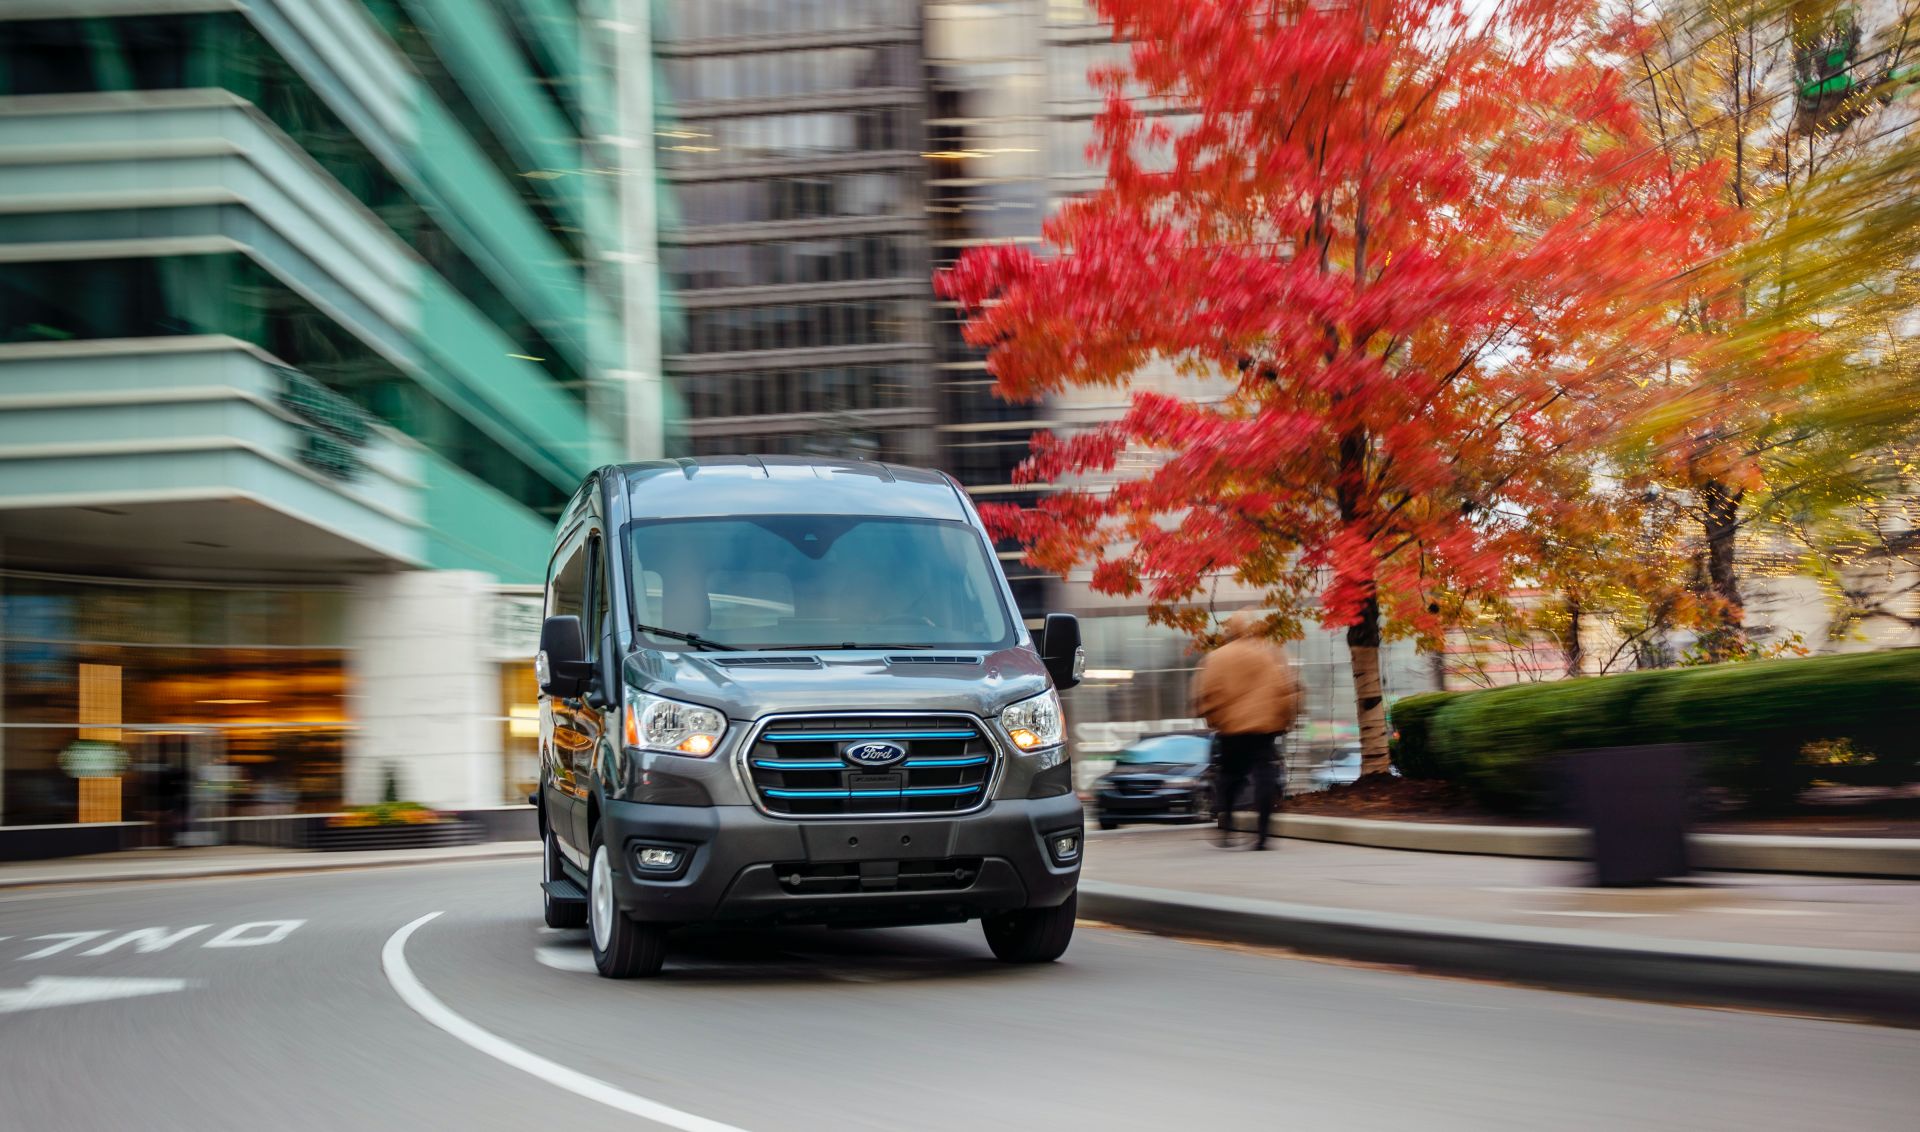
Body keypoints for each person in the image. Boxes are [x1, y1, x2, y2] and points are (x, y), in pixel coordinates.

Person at [1190, 611, 1302, 850]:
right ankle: (1262, 835)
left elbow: (1206, 692)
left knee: (1230, 777)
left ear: (1230, 631)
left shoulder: (1217, 658)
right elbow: (1287, 688)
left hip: (1232, 730)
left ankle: (1227, 826)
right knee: (1265, 779)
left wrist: (1213, 720)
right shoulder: (1269, 653)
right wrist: (1286, 720)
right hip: (1265, 729)